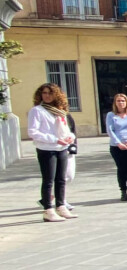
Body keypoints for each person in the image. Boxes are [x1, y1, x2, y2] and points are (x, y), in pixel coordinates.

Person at [29, 83, 77, 222]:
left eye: (50, 93)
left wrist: (70, 138)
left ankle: (61, 206)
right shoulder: (37, 111)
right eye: (44, 93)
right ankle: (48, 209)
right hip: (47, 149)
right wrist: (54, 139)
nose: (47, 96)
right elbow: (33, 132)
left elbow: (67, 129)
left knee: (61, 179)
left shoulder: (59, 110)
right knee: (48, 180)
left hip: (61, 148)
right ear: (40, 95)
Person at [105, 93, 127, 201]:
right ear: (115, 103)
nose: (121, 103)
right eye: (118, 101)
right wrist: (118, 143)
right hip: (117, 147)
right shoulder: (111, 115)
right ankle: (123, 191)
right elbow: (110, 130)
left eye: (123, 101)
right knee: (121, 168)